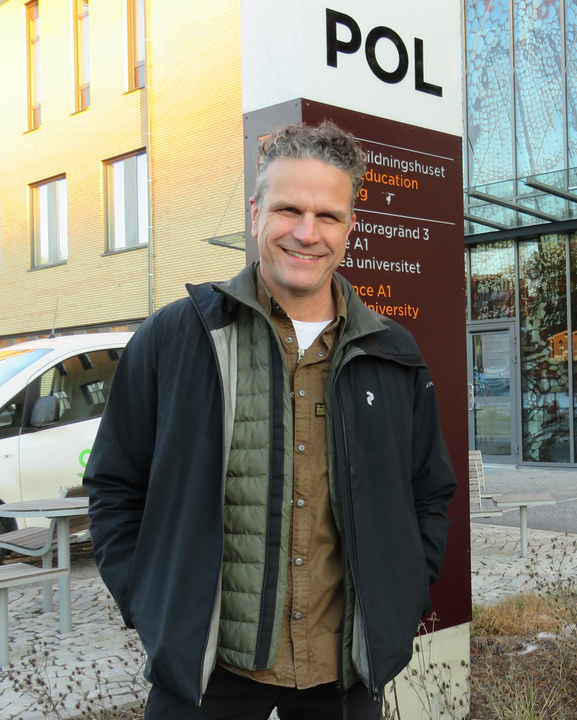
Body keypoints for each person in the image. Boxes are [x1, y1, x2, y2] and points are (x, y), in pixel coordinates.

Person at [84, 122, 456, 720]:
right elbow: (114, 485)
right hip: (208, 674)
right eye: (288, 209)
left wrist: (402, 594)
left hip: (343, 673)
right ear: (256, 213)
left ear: (350, 227)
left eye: (328, 216)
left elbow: (427, 491)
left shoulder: (393, 351)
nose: (307, 233)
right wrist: (152, 606)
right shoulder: (177, 338)